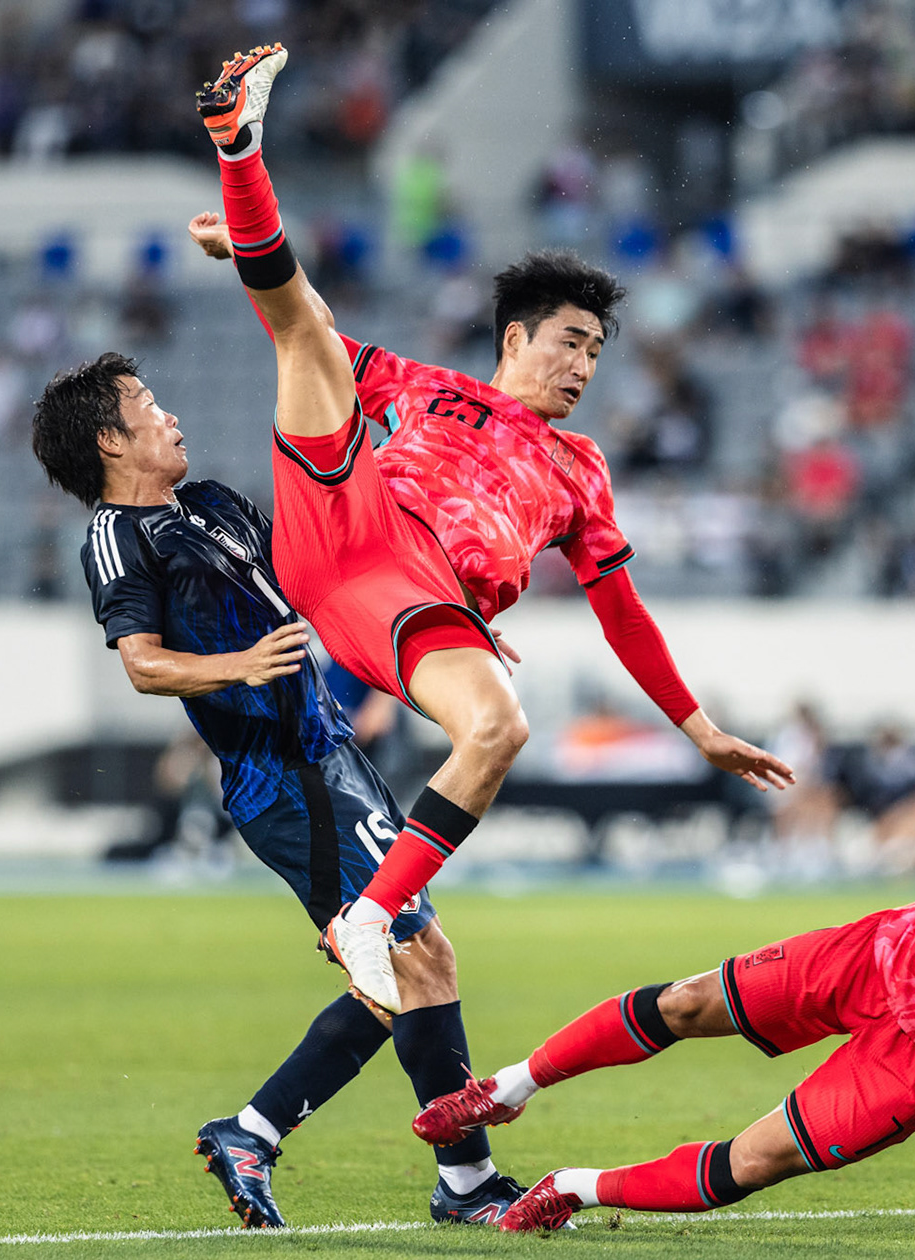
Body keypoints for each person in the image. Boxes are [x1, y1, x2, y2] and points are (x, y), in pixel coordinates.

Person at [186, 46, 790, 1014]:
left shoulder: (579, 468)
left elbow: (623, 613)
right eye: (569, 340)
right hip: (343, 511)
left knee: (500, 723)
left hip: (409, 598)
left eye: (596, 349)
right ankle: (240, 145)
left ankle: (367, 918)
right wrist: (253, 261)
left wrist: (698, 726)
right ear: (515, 336)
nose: (585, 363)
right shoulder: (426, 386)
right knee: (306, 328)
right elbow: (300, 325)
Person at [410, 609, 915, 1230]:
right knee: (687, 1001)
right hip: (883, 949)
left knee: (753, 1160)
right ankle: (505, 1089)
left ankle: (574, 1189)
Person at [28, 354, 529, 1229]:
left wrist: (445, 618)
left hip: (333, 757)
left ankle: (281, 1138)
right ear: (111, 439)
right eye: (149, 404)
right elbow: (142, 665)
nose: (171, 414)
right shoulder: (119, 534)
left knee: (415, 960)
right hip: (282, 777)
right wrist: (241, 665)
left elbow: (322, 574)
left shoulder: (215, 505)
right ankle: (447, 1179)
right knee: (409, 955)